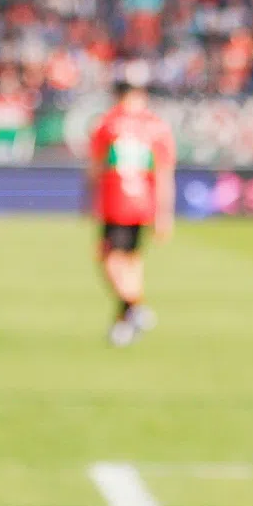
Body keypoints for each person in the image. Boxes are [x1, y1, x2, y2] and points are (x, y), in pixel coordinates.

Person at [86, 78, 176, 347]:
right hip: (144, 205)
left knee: (110, 259)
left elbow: (95, 167)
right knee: (132, 261)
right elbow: (164, 174)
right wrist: (164, 214)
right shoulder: (157, 127)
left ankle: (134, 306)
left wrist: (90, 199)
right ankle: (123, 325)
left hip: (116, 203)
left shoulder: (107, 123)